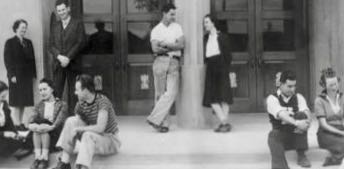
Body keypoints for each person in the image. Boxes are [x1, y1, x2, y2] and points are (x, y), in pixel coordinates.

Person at [52, 74, 120, 169]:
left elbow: (100, 128)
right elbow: (75, 124)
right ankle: (65, 163)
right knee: (71, 121)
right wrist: (71, 135)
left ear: (86, 90)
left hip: (110, 139)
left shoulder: (102, 101)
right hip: (92, 137)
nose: (75, 93)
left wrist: (80, 129)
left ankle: (83, 167)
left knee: (88, 134)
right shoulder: (80, 103)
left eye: (77, 90)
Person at [146, 3, 185, 133]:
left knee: (172, 92)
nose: (173, 17)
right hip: (160, 61)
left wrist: (165, 44)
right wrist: (172, 45)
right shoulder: (156, 30)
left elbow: (181, 45)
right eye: (171, 14)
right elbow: (154, 48)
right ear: (164, 13)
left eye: (174, 14)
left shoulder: (177, 27)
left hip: (174, 61)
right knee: (159, 94)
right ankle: (162, 123)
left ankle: (153, 118)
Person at [266, 70, 312, 169]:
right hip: (281, 137)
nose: (292, 89)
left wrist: (307, 122)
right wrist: (297, 123)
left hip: (297, 136)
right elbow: (281, 114)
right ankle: (281, 166)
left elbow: (307, 112)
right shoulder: (272, 99)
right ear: (281, 84)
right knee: (273, 135)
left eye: (294, 86)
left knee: (301, 114)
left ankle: (301, 155)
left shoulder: (298, 97)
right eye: (289, 86)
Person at [49, 0, 86, 114]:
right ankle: (56, 120)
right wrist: (59, 57)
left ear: (68, 9)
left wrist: (68, 58)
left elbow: (80, 42)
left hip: (73, 64)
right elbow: (50, 45)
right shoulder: (55, 26)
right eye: (59, 10)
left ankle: (73, 119)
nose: (61, 13)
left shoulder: (77, 24)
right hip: (58, 64)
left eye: (63, 10)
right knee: (56, 93)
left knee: (74, 93)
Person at [28, 79, 68, 169]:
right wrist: (32, 125)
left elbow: (59, 121)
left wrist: (47, 127)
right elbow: (31, 118)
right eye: (40, 90)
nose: (42, 92)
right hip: (39, 134)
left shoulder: (62, 104)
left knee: (43, 124)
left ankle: (45, 158)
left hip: (54, 134)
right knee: (38, 125)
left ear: (52, 89)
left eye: (45, 89)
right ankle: (38, 158)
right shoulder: (39, 105)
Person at [202, 14, 233, 132]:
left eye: (207, 22)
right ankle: (224, 121)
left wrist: (224, 67)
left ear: (213, 23)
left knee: (224, 96)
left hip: (222, 66)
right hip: (210, 67)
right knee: (212, 97)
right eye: (204, 22)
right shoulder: (205, 38)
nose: (205, 25)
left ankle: (223, 123)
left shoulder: (222, 37)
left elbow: (228, 55)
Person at [4, 19, 36, 129]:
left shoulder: (28, 42)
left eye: (25, 28)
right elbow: (7, 60)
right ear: (16, 28)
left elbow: (32, 60)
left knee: (24, 101)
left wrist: (33, 74)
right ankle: (17, 123)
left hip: (26, 76)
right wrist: (11, 75)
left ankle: (21, 122)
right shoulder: (10, 42)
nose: (24, 30)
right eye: (22, 27)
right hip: (16, 76)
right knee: (17, 101)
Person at [314, 68, 344, 166]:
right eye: (331, 85)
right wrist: (341, 132)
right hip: (326, 133)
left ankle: (336, 158)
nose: (334, 87)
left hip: (341, 129)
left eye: (335, 83)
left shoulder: (342, 97)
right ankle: (333, 159)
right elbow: (323, 125)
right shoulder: (319, 100)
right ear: (324, 85)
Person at [0, 81, 32, 159]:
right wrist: (4, 133)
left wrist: (15, 134)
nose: (4, 99)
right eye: (2, 96)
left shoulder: (3, 105)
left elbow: (9, 123)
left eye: (5, 96)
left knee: (25, 139)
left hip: (3, 134)